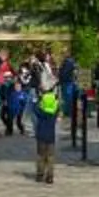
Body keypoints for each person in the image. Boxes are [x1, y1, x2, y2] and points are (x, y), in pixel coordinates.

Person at [30, 54, 63, 183]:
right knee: (51, 156)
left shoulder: (40, 112)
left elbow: (35, 109)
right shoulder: (53, 113)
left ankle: (39, 174)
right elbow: (57, 108)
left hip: (40, 135)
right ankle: (50, 176)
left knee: (40, 155)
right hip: (51, 137)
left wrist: (37, 101)